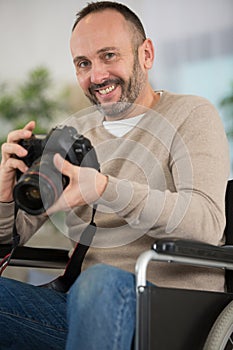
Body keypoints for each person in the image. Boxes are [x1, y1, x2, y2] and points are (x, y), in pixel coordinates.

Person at [0, 1, 230, 349]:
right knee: (92, 286)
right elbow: (14, 235)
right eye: (83, 63)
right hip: (77, 310)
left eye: (109, 56)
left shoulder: (191, 114)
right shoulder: (74, 132)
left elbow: (207, 222)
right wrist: (5, 195)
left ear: (146, 54)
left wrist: (106, 189)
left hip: (169, 310)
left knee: (101, 282)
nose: (97, 76)